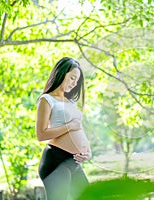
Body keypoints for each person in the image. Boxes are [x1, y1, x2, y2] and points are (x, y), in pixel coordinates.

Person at [36, 57, 92, 200]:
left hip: (73, 162)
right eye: (72, 78)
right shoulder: (46, 99)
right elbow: (41, 134)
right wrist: (69, 126)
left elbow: (78, 128)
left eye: (76, 81)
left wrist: (87, 151)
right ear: (61, 73)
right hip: (56, 160)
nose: (74, 84)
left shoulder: (70, 101)